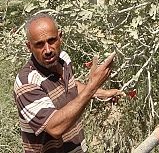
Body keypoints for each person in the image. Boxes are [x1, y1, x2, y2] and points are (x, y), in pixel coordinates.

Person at [13, 13, 126, 152]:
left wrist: (101, 93)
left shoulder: (63, 59)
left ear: (60, 37)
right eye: (39, 44)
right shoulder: (26, 82)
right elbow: (55, 127)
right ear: (29, 46)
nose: (47, 50)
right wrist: (92, 86)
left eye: (51, 40)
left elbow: (71, 86)